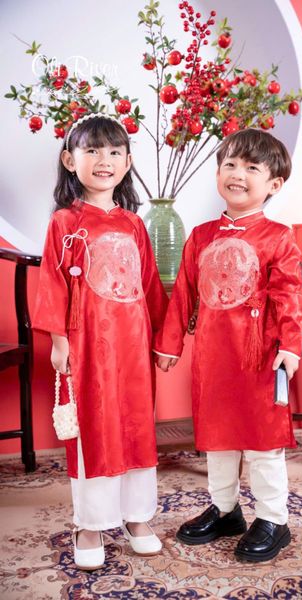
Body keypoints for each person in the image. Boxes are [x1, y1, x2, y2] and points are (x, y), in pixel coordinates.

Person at [154, 128, 302, 563]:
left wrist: (290, 346)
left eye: (252, 168)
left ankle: (273, 518)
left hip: (260, 357)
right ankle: (225, 510)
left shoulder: (278, 237)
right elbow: (183, 294)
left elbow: (288, 296)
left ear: (274, 184)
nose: (238, 174)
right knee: (217, 439)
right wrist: (170, 344)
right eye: (230, 165)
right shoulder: (200, 236)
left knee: (262, 442)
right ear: (218, 173)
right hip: (213, 358)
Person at [33, 113, 168, 570]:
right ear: (70, 160)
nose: (103, 160)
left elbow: (150, 286)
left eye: (113, 152)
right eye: (92, 151)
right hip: (87, 343)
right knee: (95, 427)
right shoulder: (64, 222)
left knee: (135, 425)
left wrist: (162, 340)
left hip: (133, 347)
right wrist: (59, 341)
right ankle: (89, 524)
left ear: (127, 163)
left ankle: (136, 517)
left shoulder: (134, 224)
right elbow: (52, 284)